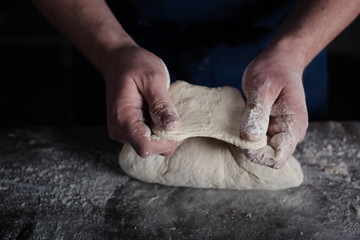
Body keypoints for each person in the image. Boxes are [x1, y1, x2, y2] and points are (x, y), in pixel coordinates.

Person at [32, 0, 360, 168]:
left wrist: (294, 52)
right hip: (120, 37)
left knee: (277, 148)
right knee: (118, 149)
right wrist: (112, 50)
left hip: (289, 34)